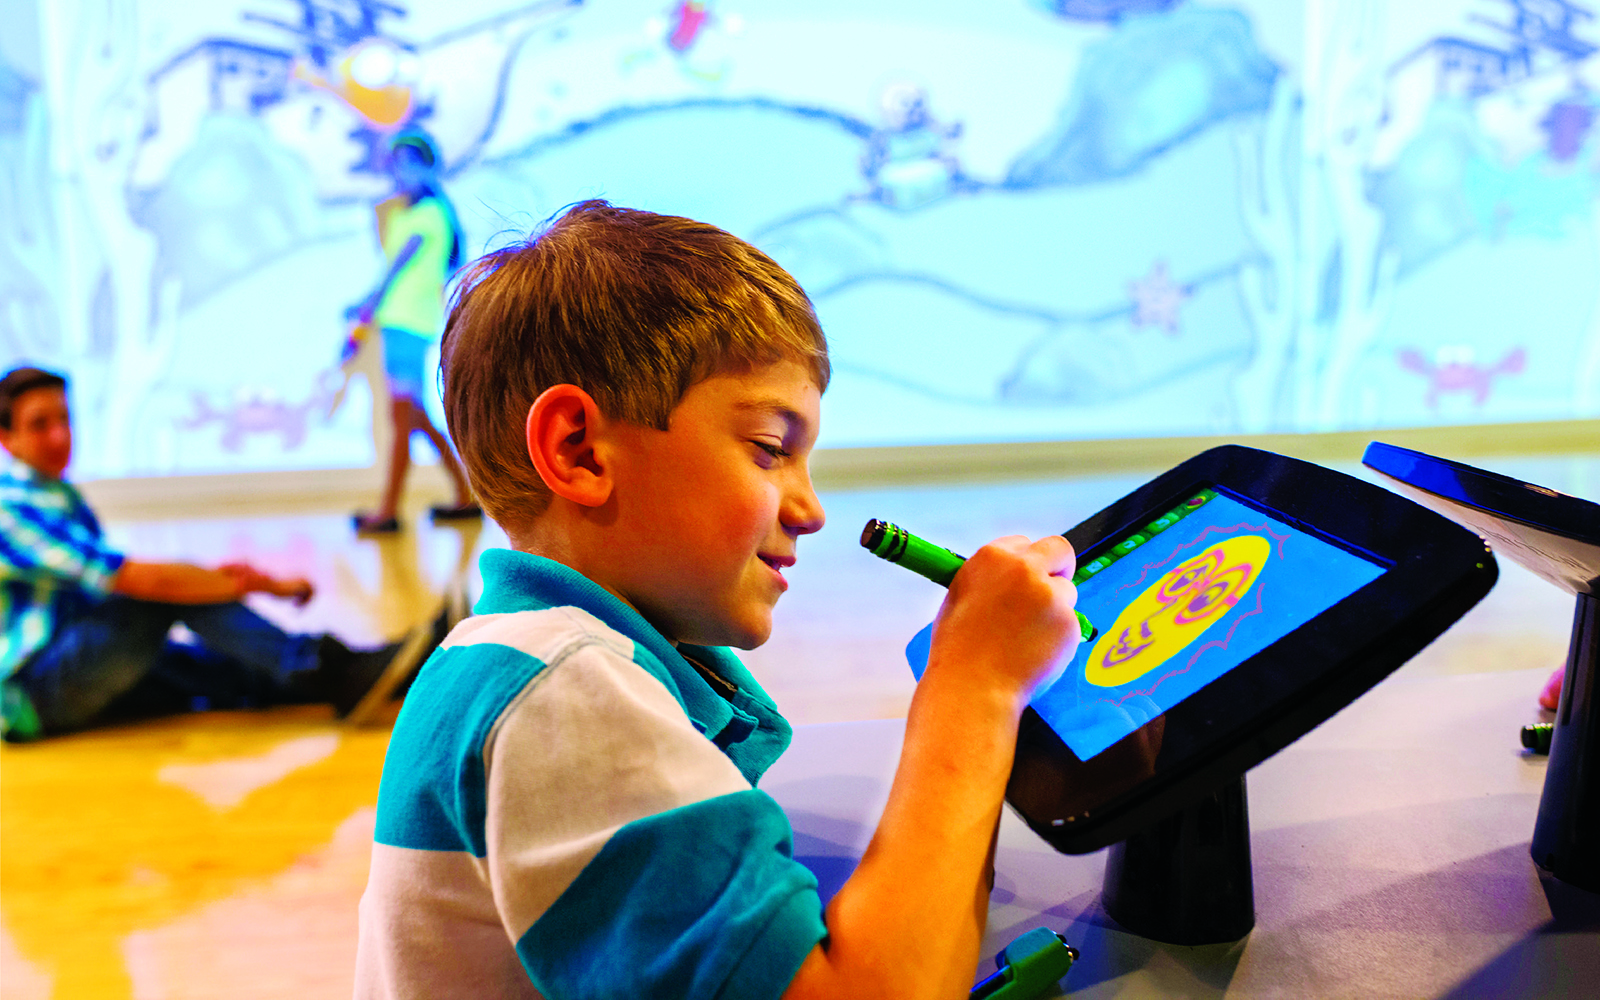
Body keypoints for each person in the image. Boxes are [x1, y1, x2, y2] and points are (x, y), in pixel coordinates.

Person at [355, 202, 1083, 998]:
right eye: (772, 449)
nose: (809, 509)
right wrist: (976, 686)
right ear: (579, 450)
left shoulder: (521, 661)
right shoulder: (561, 689)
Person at [0, 367, 404, 742]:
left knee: (230, 673)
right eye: (40, 424)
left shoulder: (53, 495)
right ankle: (328, 670)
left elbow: (111, 590)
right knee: (164, 594)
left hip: (64, 664)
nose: (60, 436)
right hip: (34, 695)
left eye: (64, 420)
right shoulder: (11, 506)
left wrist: (213, 581)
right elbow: (144, 582)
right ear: (6, 438)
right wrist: (261, 585)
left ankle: (388, 676)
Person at [345, 128, 478, 534]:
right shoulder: (411, 212)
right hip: (400, 322)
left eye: (409, 163)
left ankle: (389, 510)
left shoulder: (429, 214)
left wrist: (369, 303)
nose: (401, 172)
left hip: (407, 323)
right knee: (411, 416)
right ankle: (463, 494)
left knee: (404, 417)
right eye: (396, 164)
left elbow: (398, 267)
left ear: (429, 167)